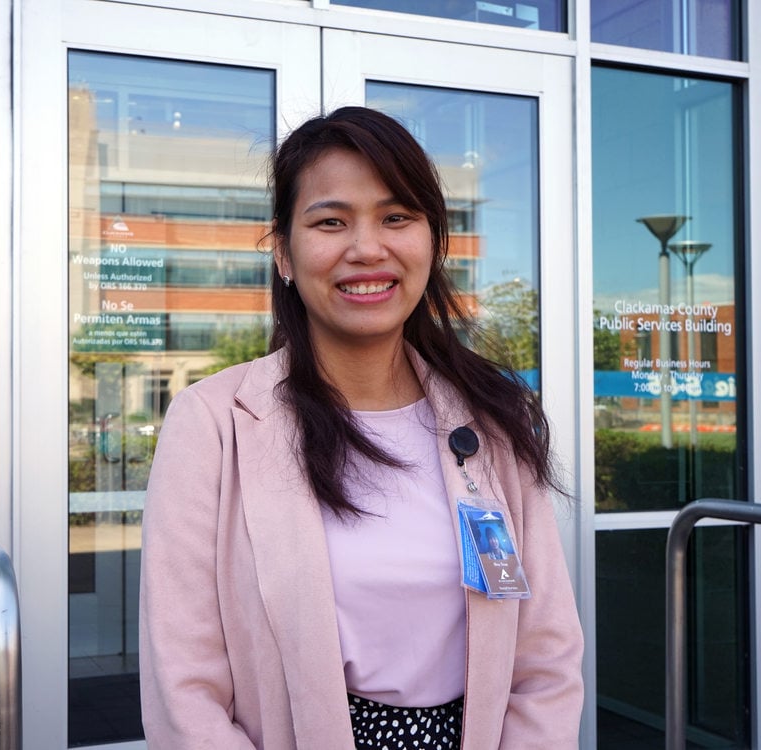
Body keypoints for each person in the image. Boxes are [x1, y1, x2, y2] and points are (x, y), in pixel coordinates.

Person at [139, 106, 583, 749]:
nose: (367, 248)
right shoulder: (213, 423)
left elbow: (545, 659)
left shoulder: (490, 418)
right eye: (331, 221)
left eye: (396, 217)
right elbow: (184, 686)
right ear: (284, 253)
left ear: (434, 241)